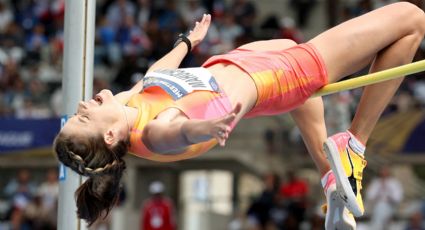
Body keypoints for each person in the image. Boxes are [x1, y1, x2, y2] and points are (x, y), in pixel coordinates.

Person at [53, 3, 425, 228]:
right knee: (411, 19)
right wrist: (207, 126)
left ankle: (331, 179)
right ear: (109, 138)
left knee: (292, 52)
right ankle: (354, 144)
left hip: (241, 63)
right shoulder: (151, 133)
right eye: (83, 118)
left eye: (76, 112)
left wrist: (185, 43)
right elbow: (178, 132)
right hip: (276, 77)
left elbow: (153, 77)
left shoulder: (125, 109)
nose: (83, 106)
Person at [366, 165, 403, 230]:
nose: (384, 173)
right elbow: (369, 196)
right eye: (382, 171)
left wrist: (388, 195)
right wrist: (378, 193)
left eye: (385, 171)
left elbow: (398, 198)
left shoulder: (394, 183)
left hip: (391, 206)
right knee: (380, 207)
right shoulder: (376, 182)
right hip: (376, 207)